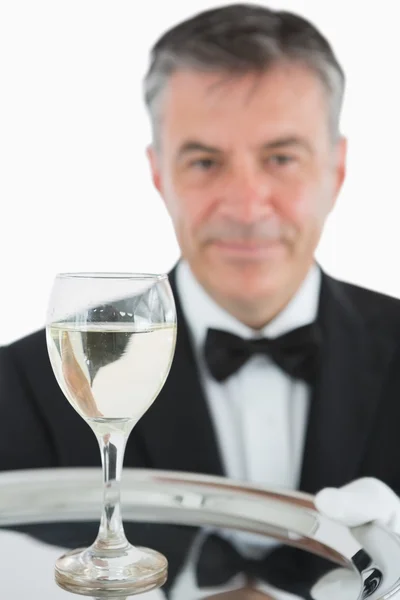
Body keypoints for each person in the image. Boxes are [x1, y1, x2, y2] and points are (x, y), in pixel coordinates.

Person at [2, 3, 400, 598]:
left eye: (281, 158)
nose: (245, 206)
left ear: (337, 168)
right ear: (159, 173)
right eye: (205, 161)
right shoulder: (24, 382)